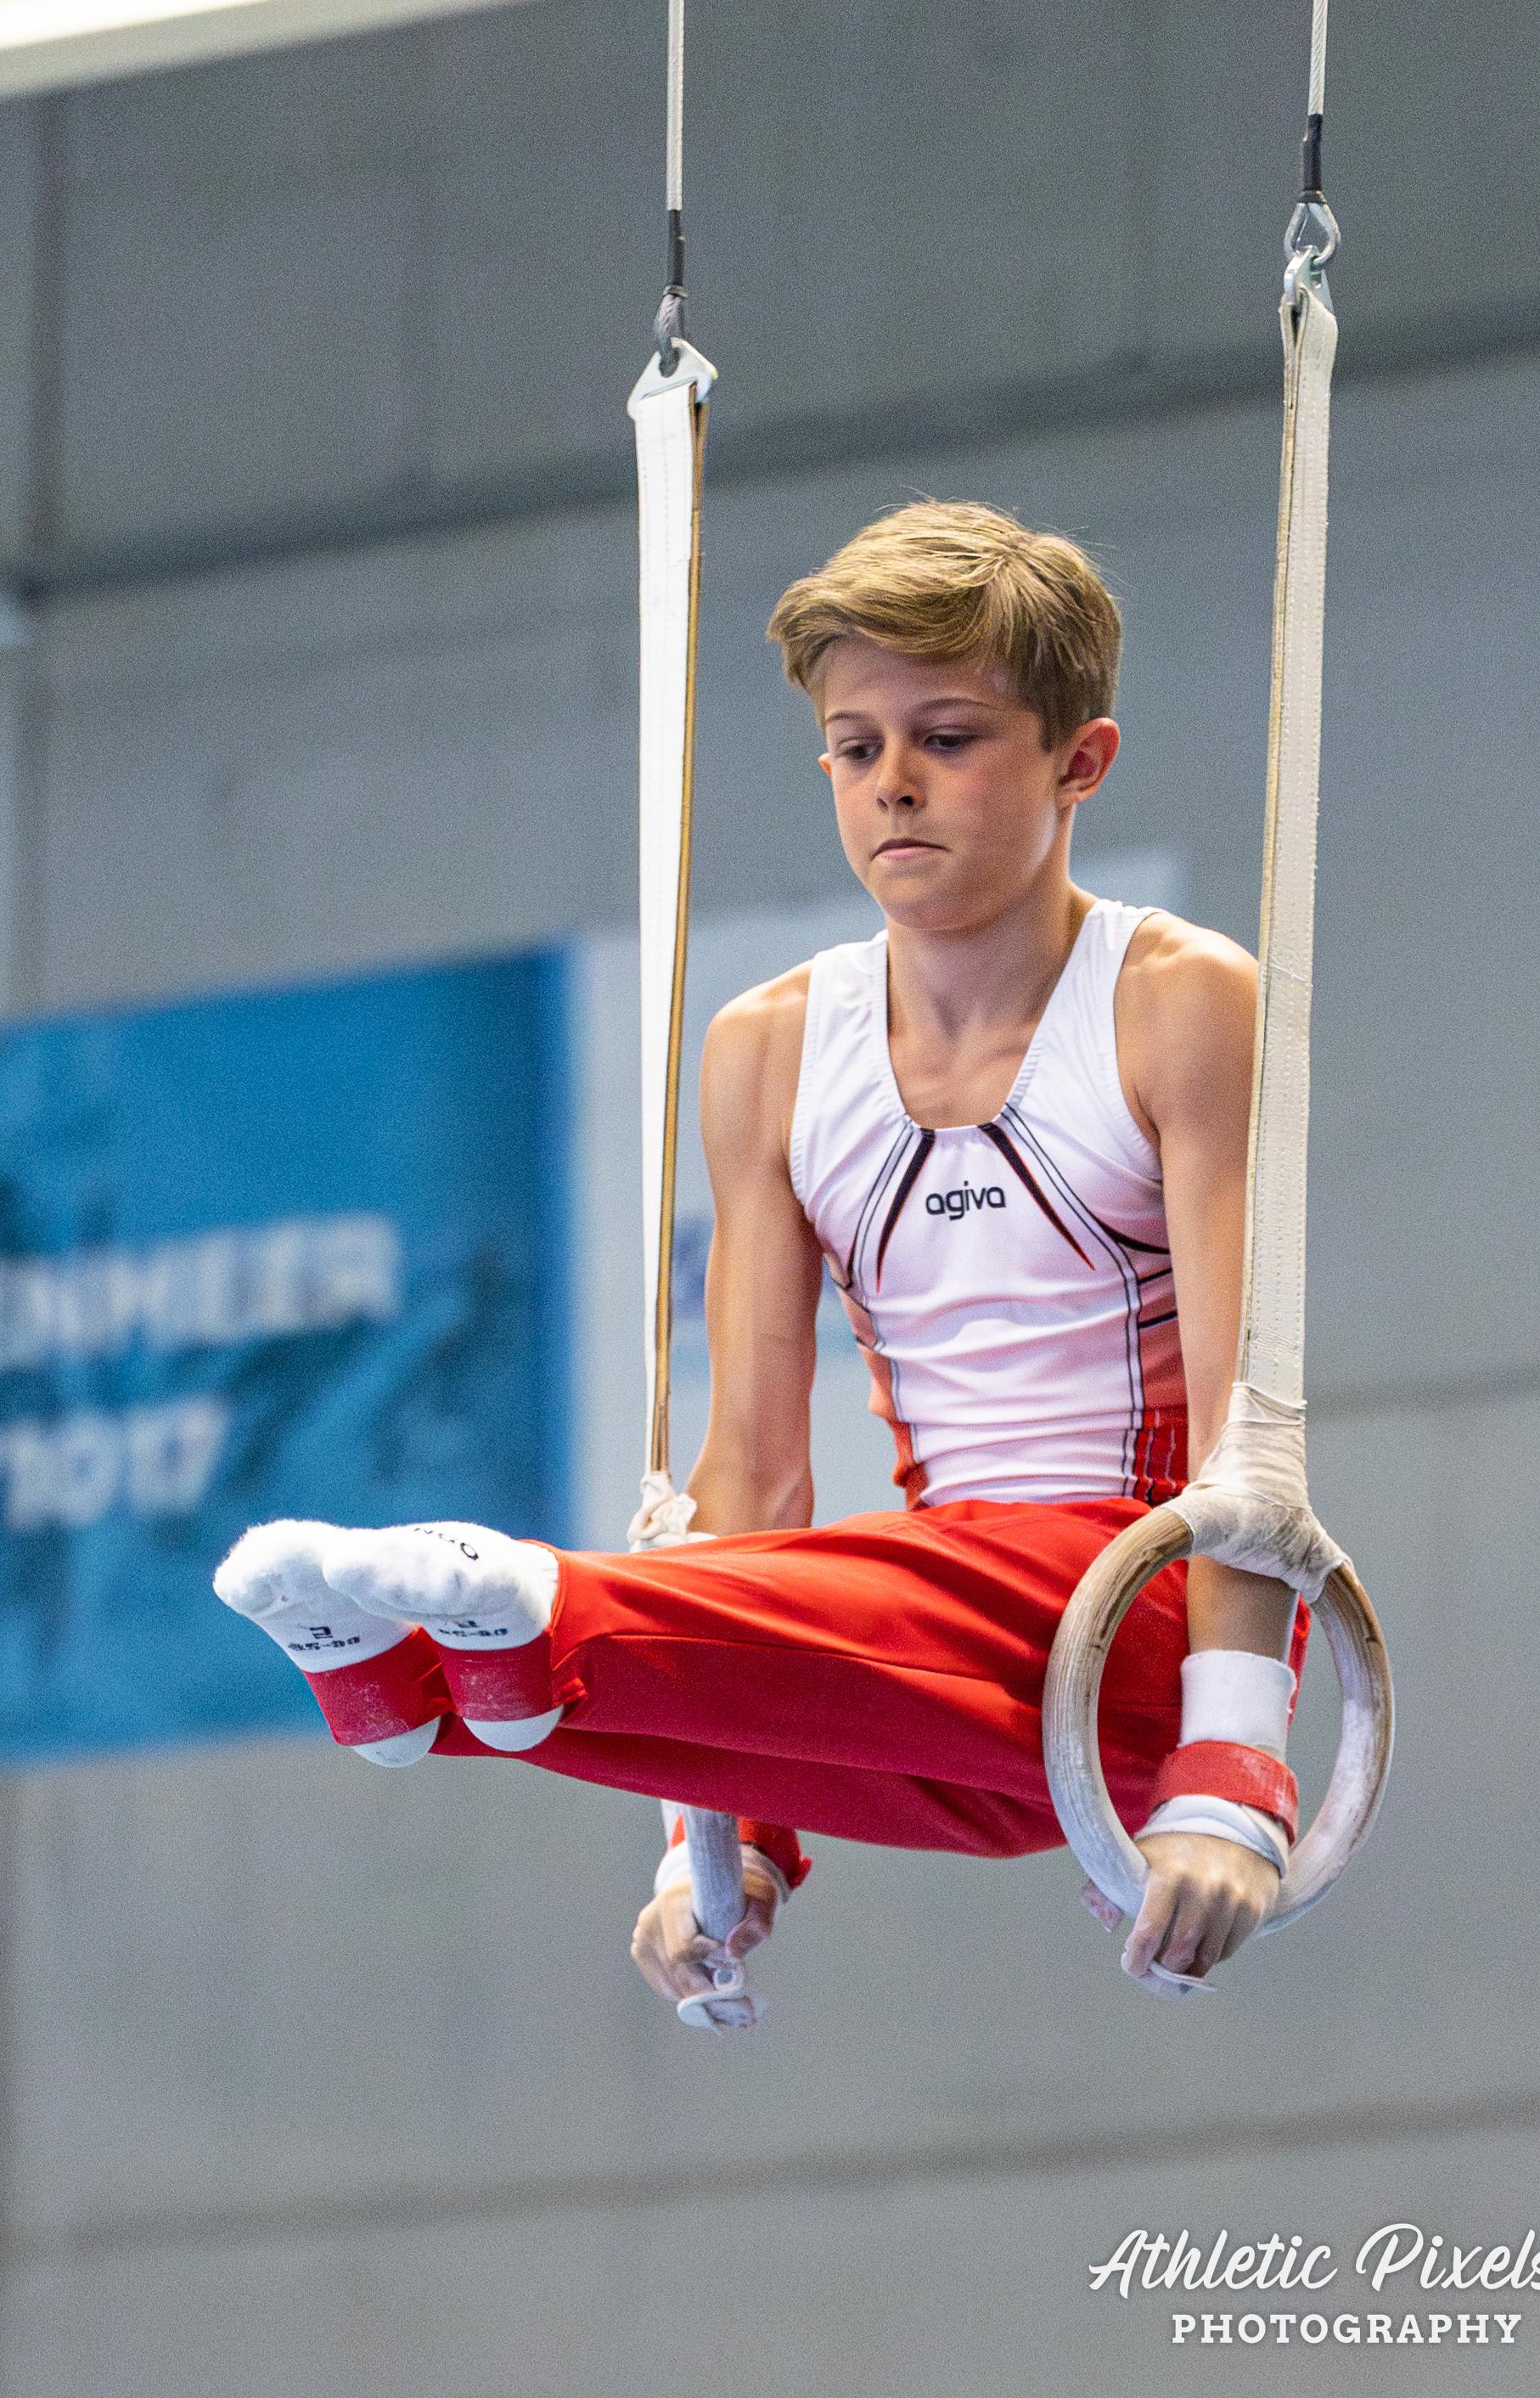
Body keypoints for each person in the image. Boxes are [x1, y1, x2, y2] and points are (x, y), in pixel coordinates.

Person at [216, 501, 1309, 2019]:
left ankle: (540, 1612)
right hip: (964, 1717)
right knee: (741, 1605)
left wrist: (1233, 1762)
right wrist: (714, 1841)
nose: (893, 782)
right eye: (854, 749)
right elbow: (755, 1474)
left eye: (947, 738)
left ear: (1081, 761)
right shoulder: (777, 1049)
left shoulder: (1179, 1003)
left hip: (1140, 1626)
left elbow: (1253, 1434)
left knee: (876, 1596)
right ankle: (423, 1692)